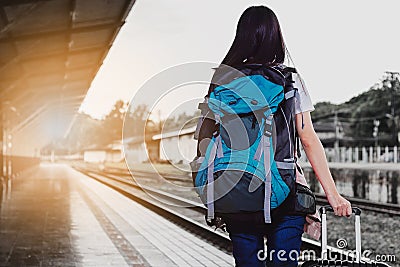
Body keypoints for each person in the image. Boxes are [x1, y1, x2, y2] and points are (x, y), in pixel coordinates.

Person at [198, 5, 353, 267]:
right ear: (276, 36)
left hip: (236, 193)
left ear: (241, 37)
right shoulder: (289, 81)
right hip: (284, 193)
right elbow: (308, 139)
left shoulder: (221, 82)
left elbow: (204, 142)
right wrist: (333, 195)